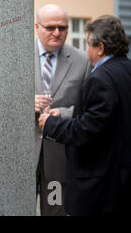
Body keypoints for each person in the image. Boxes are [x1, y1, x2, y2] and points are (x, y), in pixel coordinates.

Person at [39, 15, 131, 215]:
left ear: (101, 48)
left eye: (89, 44)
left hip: (101, 185)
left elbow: (86, 129)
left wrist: (51, 123)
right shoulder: (126, 70)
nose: (87, 50)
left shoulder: (101, 78)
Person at [34, 4, 91, 216]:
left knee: (55, 211)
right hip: (22, 157)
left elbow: (88, 107)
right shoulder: (17, 57)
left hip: (59, 160)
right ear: (36, 26)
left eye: (63, 28)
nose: (57, 33)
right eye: (51, 27)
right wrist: (27, 104)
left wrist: (64, 114)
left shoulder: (82, 61)